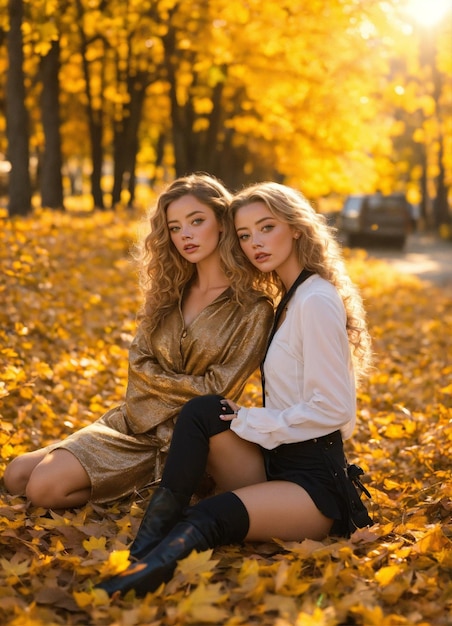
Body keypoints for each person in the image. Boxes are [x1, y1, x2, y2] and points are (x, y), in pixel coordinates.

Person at [96, 181, 374, 598]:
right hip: (277, 461)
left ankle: (130, 583)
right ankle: (143, 549)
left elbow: (334, 409)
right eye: (244, 235)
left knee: (207, 517)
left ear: (296, 227)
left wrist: (252, 420)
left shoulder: (315, 300)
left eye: (266, 228)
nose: (255, 243)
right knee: (203, 411)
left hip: (314, 487)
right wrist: (247, 423)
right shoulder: (289, 296)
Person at [3, 174, 274, 509]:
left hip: (178, 441)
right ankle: (106, 474)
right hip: (130, 421)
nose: (185, 234)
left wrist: (155, 385)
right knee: (16, 475)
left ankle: (154, 485)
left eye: (196, 221)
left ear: (222, 223)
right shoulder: (168, 291)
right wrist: (160, 387)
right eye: (175, 227)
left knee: (43, 489)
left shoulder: (252, 308)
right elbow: (138, 363)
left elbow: (216, 390)